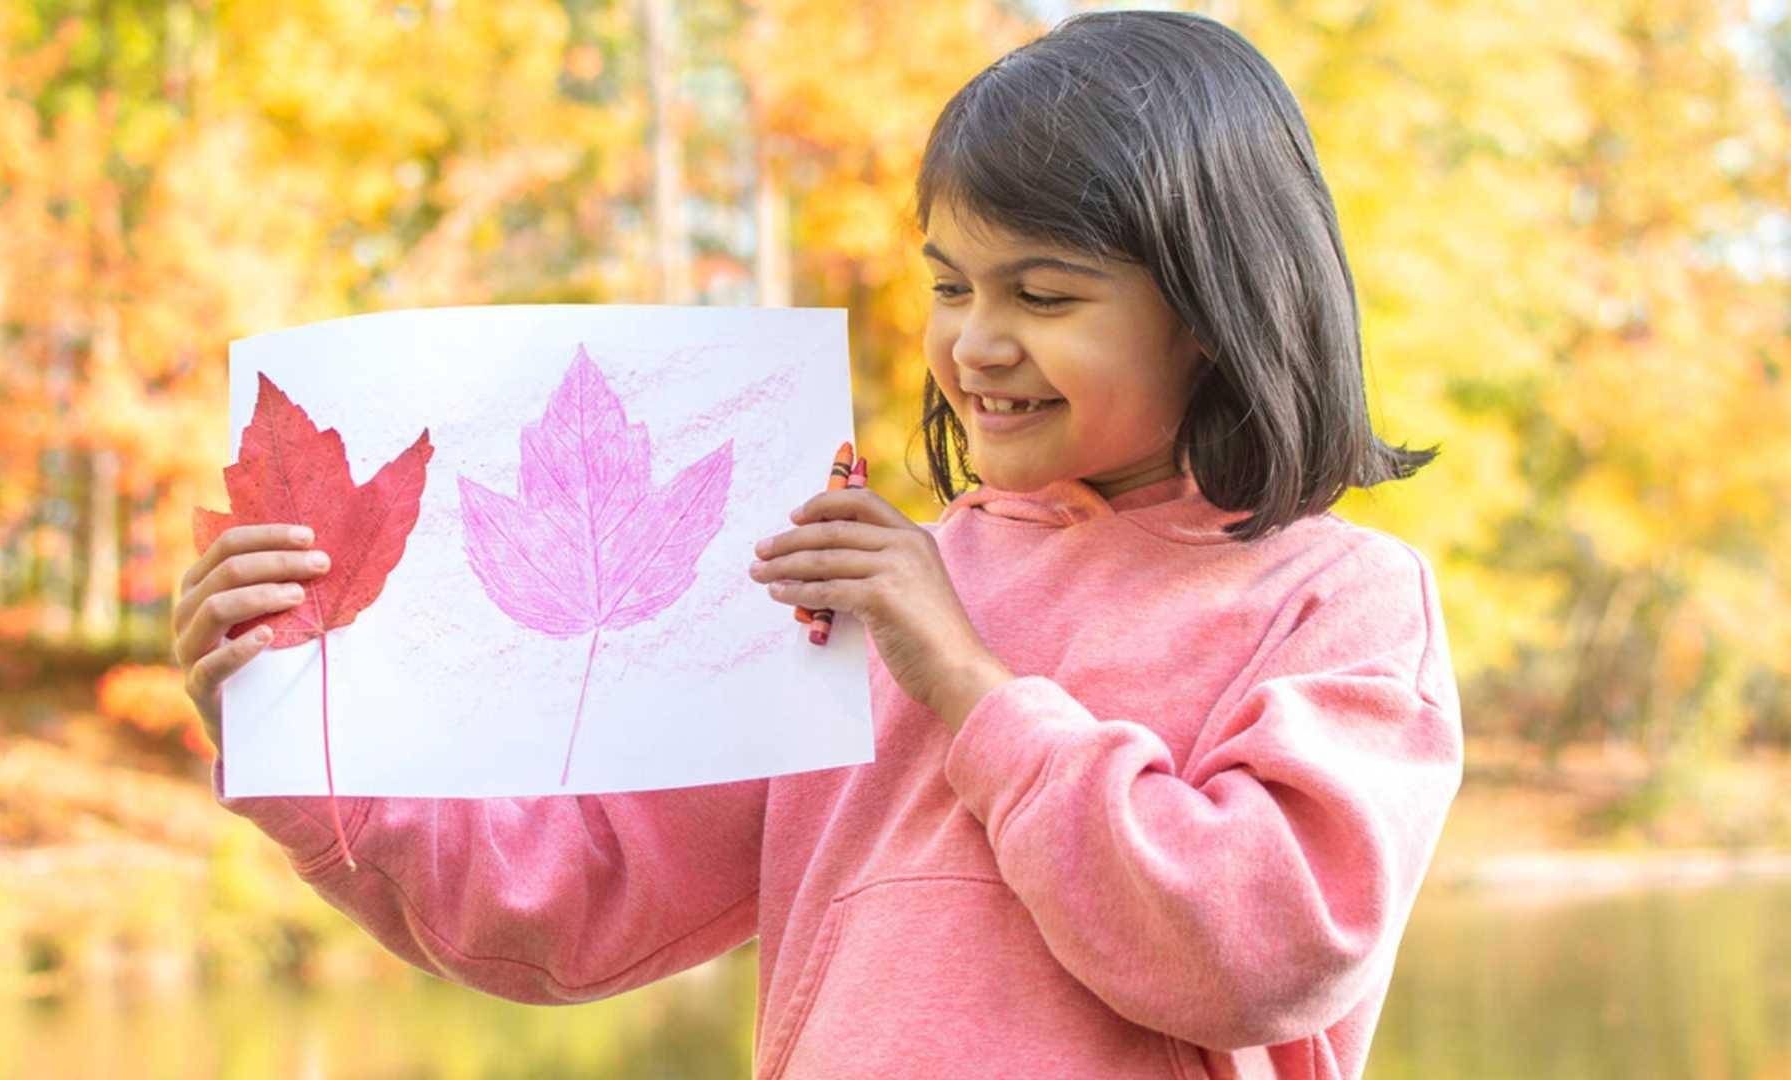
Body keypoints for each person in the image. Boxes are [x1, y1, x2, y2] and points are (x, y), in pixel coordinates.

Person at [173, 10, 1462, 1078]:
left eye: (1045, 294)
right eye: (953, 284)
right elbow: (571, 901)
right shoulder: (849, 587)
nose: (975, 343)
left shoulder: (1338, 600)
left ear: (1216, 306)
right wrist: (298, 732)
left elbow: (1266, 947)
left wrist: (968, 686)